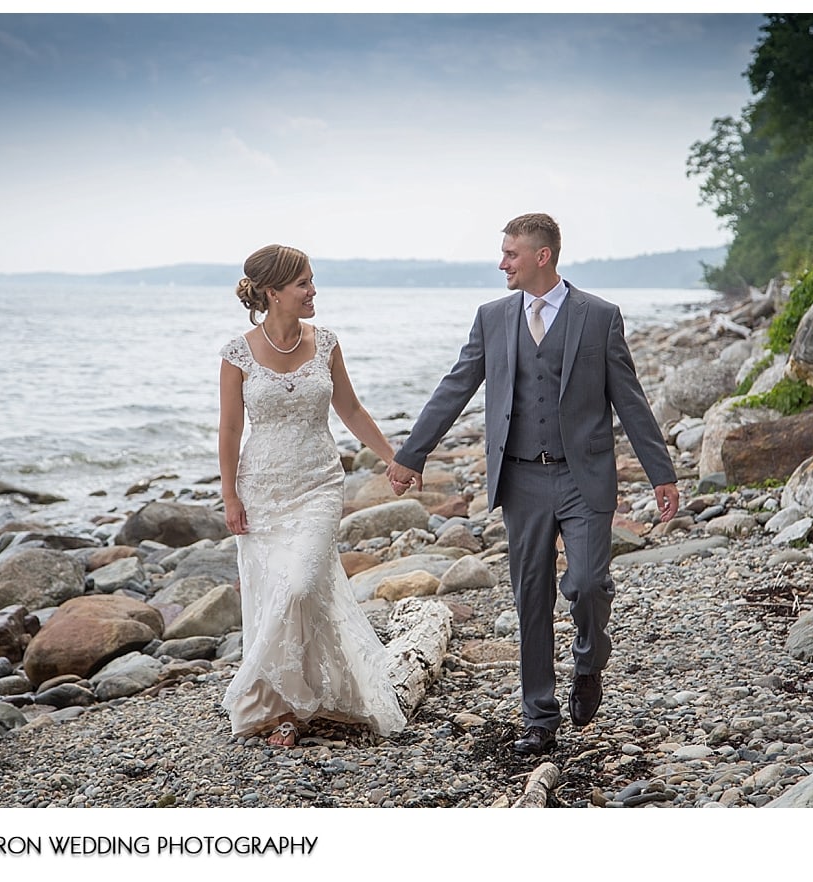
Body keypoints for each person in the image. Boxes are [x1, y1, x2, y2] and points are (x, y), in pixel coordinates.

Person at [386, 213, 679, 756]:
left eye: (511, 254)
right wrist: (412, 454)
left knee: (588, 583)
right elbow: (455, 388)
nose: (502, 263)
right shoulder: (492, 318)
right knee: (531, 599)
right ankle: (539, 717)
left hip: (582, 475)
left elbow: (631, 402)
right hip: (520, 477)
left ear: (542, 255)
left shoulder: (599, 316)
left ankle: (590, 659)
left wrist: (660, 472)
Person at [218, 244, 407, 748]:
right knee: (274, 594)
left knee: (301, 585)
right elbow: (230, 429)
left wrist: (393, 457)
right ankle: (283, 708)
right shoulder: (237, 353)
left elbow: (350, 408)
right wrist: (230, 495)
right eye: (302, 283)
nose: (313, 291)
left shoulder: (326, 343)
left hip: (319, 483)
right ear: (272, 292)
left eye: (311, 280)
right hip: (261, 490)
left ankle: (290, 692)